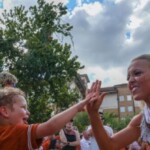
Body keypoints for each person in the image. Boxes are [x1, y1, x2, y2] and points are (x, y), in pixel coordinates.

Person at [0, 80, 98, 150]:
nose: (28, 112)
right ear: (5, 111)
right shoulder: (15, 132)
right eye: (23, 108)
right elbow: (50, 126)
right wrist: (78, 106)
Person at [86, 54, 150, 150]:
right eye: (128, 78)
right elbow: (109, 146)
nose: (131, 80)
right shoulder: (141, 121)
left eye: (137, 73)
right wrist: (93, 113)